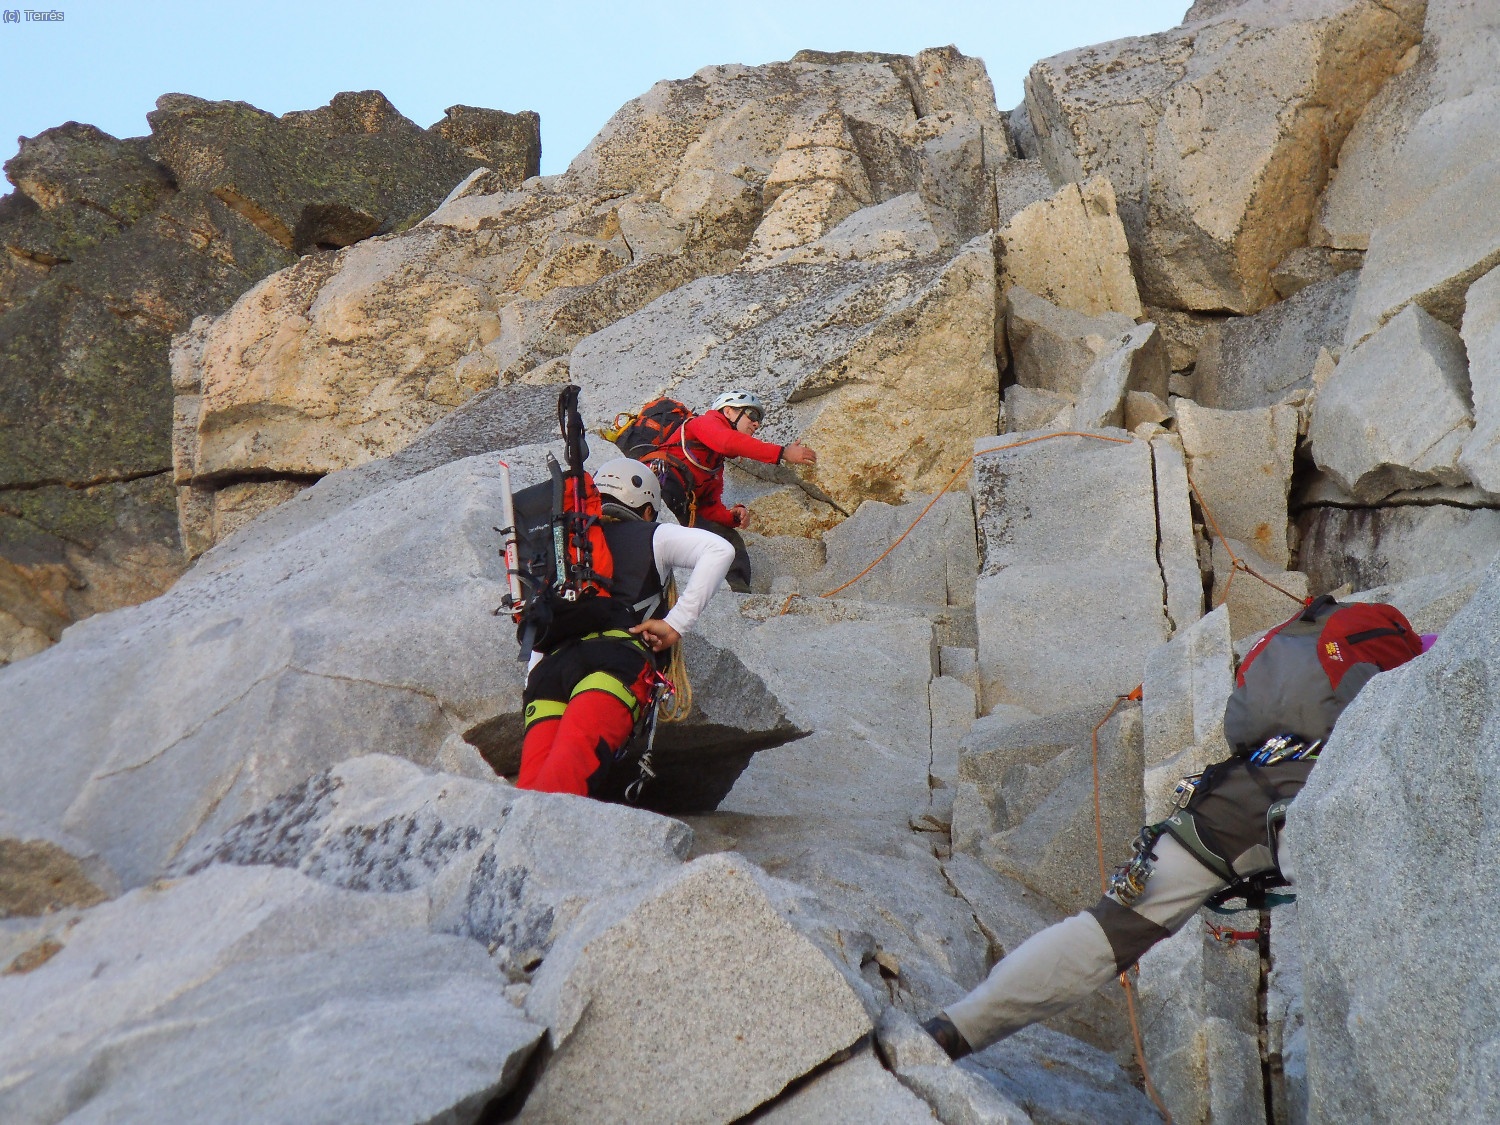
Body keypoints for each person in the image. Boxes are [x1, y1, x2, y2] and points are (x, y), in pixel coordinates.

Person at [922, 596, 1428, 1060]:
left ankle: (956, 1027)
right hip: (1318, 798)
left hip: (1232, 795)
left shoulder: (1299, 646)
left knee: (1103, 931)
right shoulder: (1404, 660)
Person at [517, 458, 734, 799]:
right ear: (647, 509)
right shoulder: (652, 534)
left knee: (530, 788)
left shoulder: (563, 545)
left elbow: (543, 623)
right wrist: (674, 624)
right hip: (612, 664)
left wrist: (532, 682)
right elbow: (719, 549)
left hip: (550, 673)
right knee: (566, 783)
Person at [641, 390, 818, 593]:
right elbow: (727, 441)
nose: (756, 424)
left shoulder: (715, 464)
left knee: (729, 539)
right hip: (661, 489)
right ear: (728, 412)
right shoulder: (702, 423)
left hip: (679, 505)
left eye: (758, 419)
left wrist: (730, 517)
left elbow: (707, 506)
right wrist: (783, 453)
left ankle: (738, 595)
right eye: (752, 415)